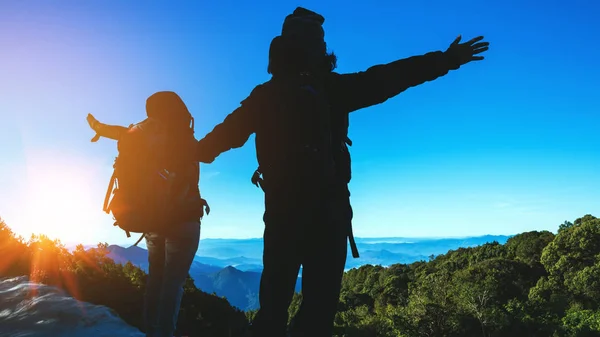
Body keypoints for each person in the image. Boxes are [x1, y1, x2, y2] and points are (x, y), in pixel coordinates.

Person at [87, 91, 207, 337]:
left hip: (153, 220)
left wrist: (96, 126)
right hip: (184, 220)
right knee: (173, 286)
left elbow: (116, 132)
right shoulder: (184, 137)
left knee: (156, 281)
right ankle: (163, 333)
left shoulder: (141, 134)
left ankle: (149, 331)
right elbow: (206, 153)